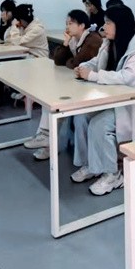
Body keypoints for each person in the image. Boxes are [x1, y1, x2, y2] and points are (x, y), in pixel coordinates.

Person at [72, 5, 135, 195]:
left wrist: (92, 76)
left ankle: (112, 174)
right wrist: (84, 67)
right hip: (114, 98)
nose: (104, 27)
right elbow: (97, 62)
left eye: (108, 23)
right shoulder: (110, 41)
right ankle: (91, 165)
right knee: (80, 116)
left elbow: (126, 77)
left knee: (99, 125)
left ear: (121, 24)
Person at [25, 10, 102, 159]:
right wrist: (66, 44)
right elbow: (58, 61)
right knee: (50, 99)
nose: (67, 26)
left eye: (71, 23)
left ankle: (47, 141)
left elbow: (76, 63)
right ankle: (46, 139)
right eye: (66, 23)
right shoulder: (74, 39)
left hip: (93, 87)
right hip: (79, 82)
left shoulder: (92, 40)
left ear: (82, 25)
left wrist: (70, 62)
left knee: (57, 102)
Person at [0, 0, 18, 107]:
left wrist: (6, 24)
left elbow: (10, 39)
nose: (3, 14)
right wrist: (3, 24)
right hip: (6, 52)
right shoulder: (5, 22)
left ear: (11, 12)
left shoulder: (16, 22)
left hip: (16, 53)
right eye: (2, 11)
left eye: (5, 11)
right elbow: (0, 37)